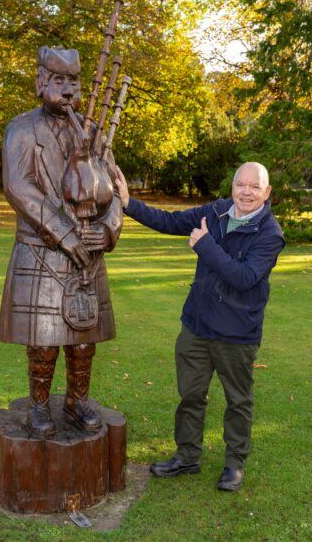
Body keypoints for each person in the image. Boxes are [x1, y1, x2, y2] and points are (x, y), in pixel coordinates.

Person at [115, 162, 284, 491]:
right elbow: (171, 221)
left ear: (266, 192)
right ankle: (187, 457)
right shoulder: (217, 211)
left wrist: (205, 246)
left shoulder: (270, 234)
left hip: (236, 335)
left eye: (254, 186)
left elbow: (244, 277)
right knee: (190, 395)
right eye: (240, 184)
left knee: (238, 401)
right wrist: (127, 202)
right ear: (233, 186)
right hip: (196, 326)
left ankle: (234, 465)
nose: (246, 192)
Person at [0, 46, 122, 438]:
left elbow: (115, 188)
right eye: (59, 81)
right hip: (41, 251)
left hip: (87, 254)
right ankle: (38, 406)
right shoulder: (21, 130)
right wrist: (65, 233)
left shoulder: (92, 132)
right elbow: (19, 188)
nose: (68, 91)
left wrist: (108, 229)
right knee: (44, 342)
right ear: (40, 82)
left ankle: (77, 399)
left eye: (74, 82)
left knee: (84, 342)